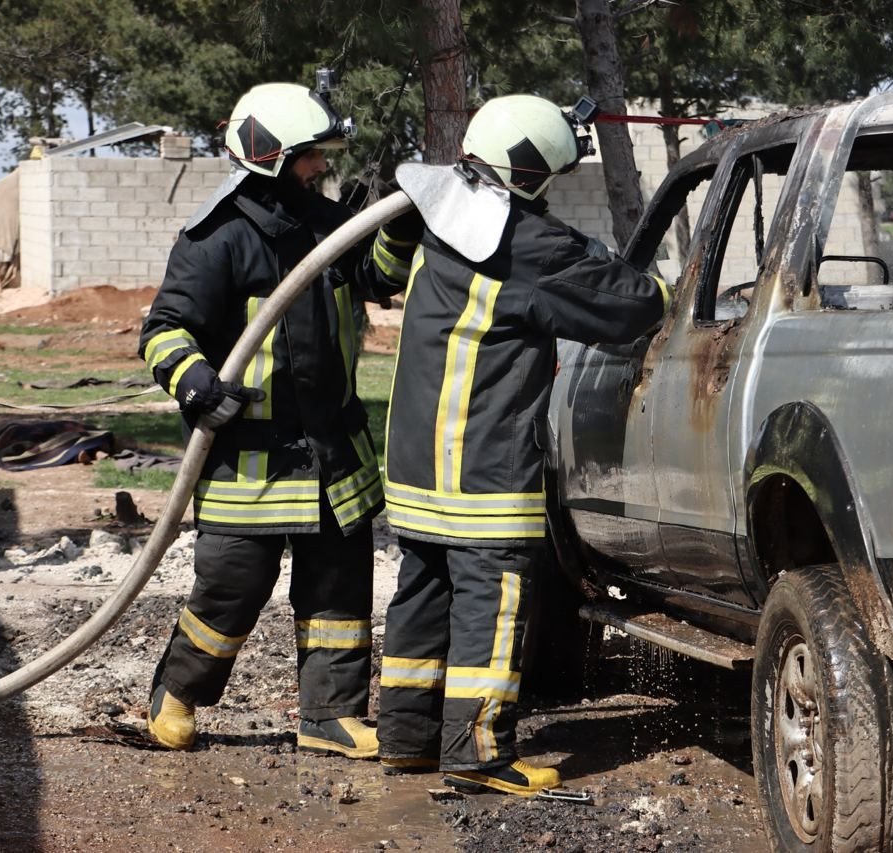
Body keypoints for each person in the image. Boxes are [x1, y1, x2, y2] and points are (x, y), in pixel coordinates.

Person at [376, 94, 671, 796]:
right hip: (482, 464)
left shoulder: (442, 215)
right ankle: (477, 753)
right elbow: (628, 302)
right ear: (532, 170)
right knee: (492, 601)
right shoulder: (526, 242)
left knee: (421, 596)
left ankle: (408, 739)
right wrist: (671, 291)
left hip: (419, 462)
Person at [140, 83, 414, 754]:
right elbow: (164, 329)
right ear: (270, 156)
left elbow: (379, 278)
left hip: (335, 455)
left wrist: (404, 224)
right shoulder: (217, 239)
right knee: (230, 591)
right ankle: (177, 693)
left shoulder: (327, 225)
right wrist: (195, 380)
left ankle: (330, 715)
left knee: (339, 593)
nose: (321, 167)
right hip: (250, 460)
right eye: (309, 157)